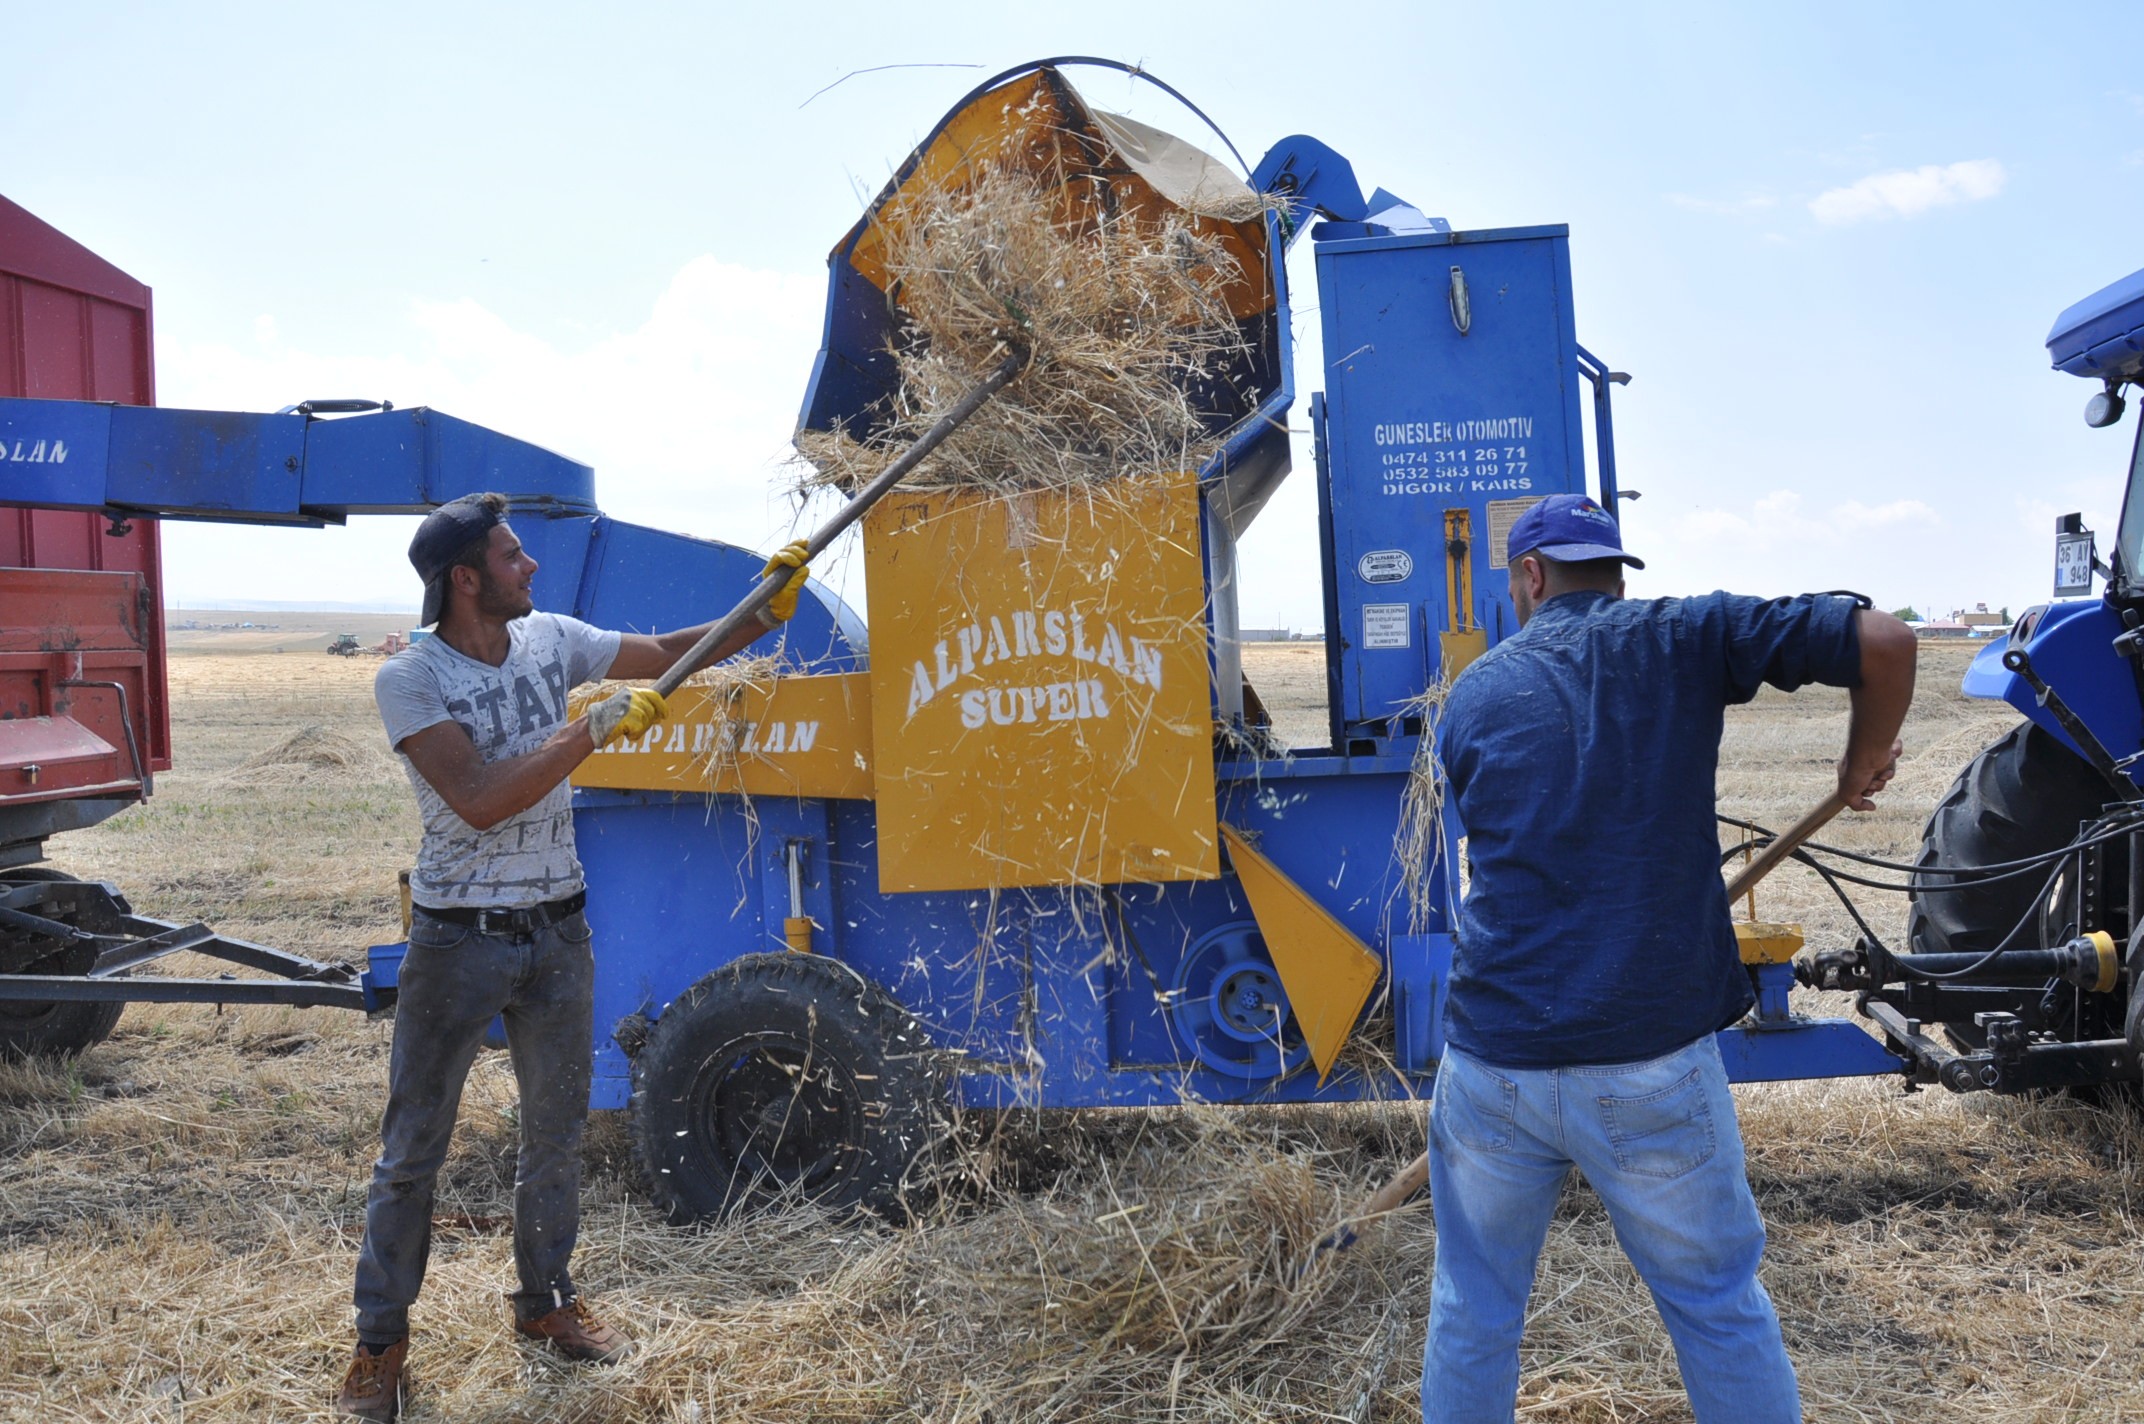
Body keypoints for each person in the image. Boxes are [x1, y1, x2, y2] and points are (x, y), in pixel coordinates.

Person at [1421, 492, 1916, 1423]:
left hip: (1493, 1064)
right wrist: (1864, 760)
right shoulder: (1684, 638)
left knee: (1472, 1310)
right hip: (1647, 1064)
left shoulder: (1474, 695)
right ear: (1616, 572)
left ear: (1529, 578)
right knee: (1717, 1309)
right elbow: (1884, 642)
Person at [335, 493, 810, 1421]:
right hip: (457, 941)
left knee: (554, 1138)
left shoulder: (551, 639)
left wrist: (760, 609)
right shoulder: (411, 679)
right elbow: (476, 796)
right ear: (465, 578)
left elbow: (670, 655)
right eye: (514, 558)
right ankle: (379, 1345)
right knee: (412, 1154)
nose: (533, 569)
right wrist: (586, 729)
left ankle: (546, 1306)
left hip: (559, 931)